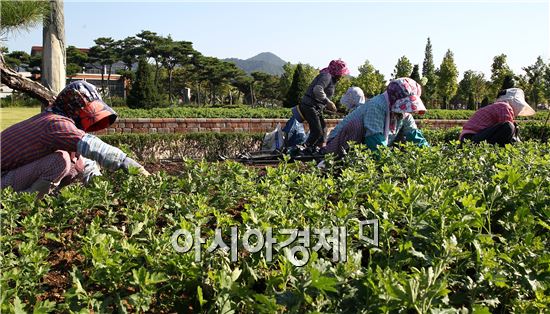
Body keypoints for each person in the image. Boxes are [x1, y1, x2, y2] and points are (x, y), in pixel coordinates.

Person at [1, 81, 149, 199]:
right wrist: (134, 168)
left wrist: (104, 194)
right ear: (73, 108)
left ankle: (41, 198)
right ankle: (22, 204)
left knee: (75, 164)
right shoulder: (54, 123)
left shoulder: (58, 124)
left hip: (10, 177)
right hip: (3, 179)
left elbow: (86, 163)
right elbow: (95, 148)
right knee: (60, 160)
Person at [324, 78, 429, 156]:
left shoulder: (404, 113)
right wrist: (390, 165)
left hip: (367, 145)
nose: (407, 109)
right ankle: (342, 161)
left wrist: (429, 154)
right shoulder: (377, 105)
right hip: (338, 144)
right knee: (356, 125)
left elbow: (413, 134)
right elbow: (374, 140)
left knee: (404, 135)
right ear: (394, 98)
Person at [299, 59, 350, 151]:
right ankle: (302, 149)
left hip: (315, 107)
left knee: (323, 129)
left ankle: (320, 148)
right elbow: (317, 89)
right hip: (310, 106)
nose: (342, 76)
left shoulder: (330, 78)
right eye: (341, 73)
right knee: (317, 131)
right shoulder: (326, 76)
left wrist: (326, 106)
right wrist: (328, 102)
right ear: (337, 72)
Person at [460, 88, 535, 145]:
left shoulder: (497, 106)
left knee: (512, 126)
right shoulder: (503, 106)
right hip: (471, 139)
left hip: (470, 138)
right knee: (508, 126)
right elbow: (507, 130)